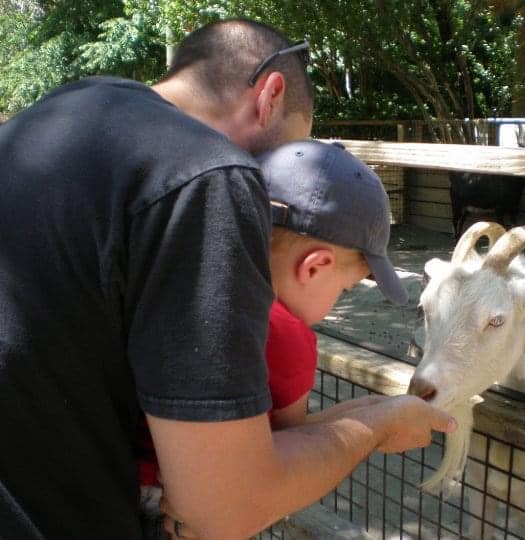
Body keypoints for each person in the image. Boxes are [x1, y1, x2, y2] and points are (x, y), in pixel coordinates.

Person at [0, 16, 456, 540]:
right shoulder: (209, 175)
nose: (276, 177)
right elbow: (225, 508)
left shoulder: (48, 120)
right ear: (269, 95)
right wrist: (377, 428)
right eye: (287, 147)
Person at [136, 139, 406, 536]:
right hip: (175, 514)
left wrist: (365, 408)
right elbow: (287, 447)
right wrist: (379, 423)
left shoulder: (184, 284)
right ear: (314, 268)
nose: (337, 302)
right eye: (344, 290)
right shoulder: (286, 336)